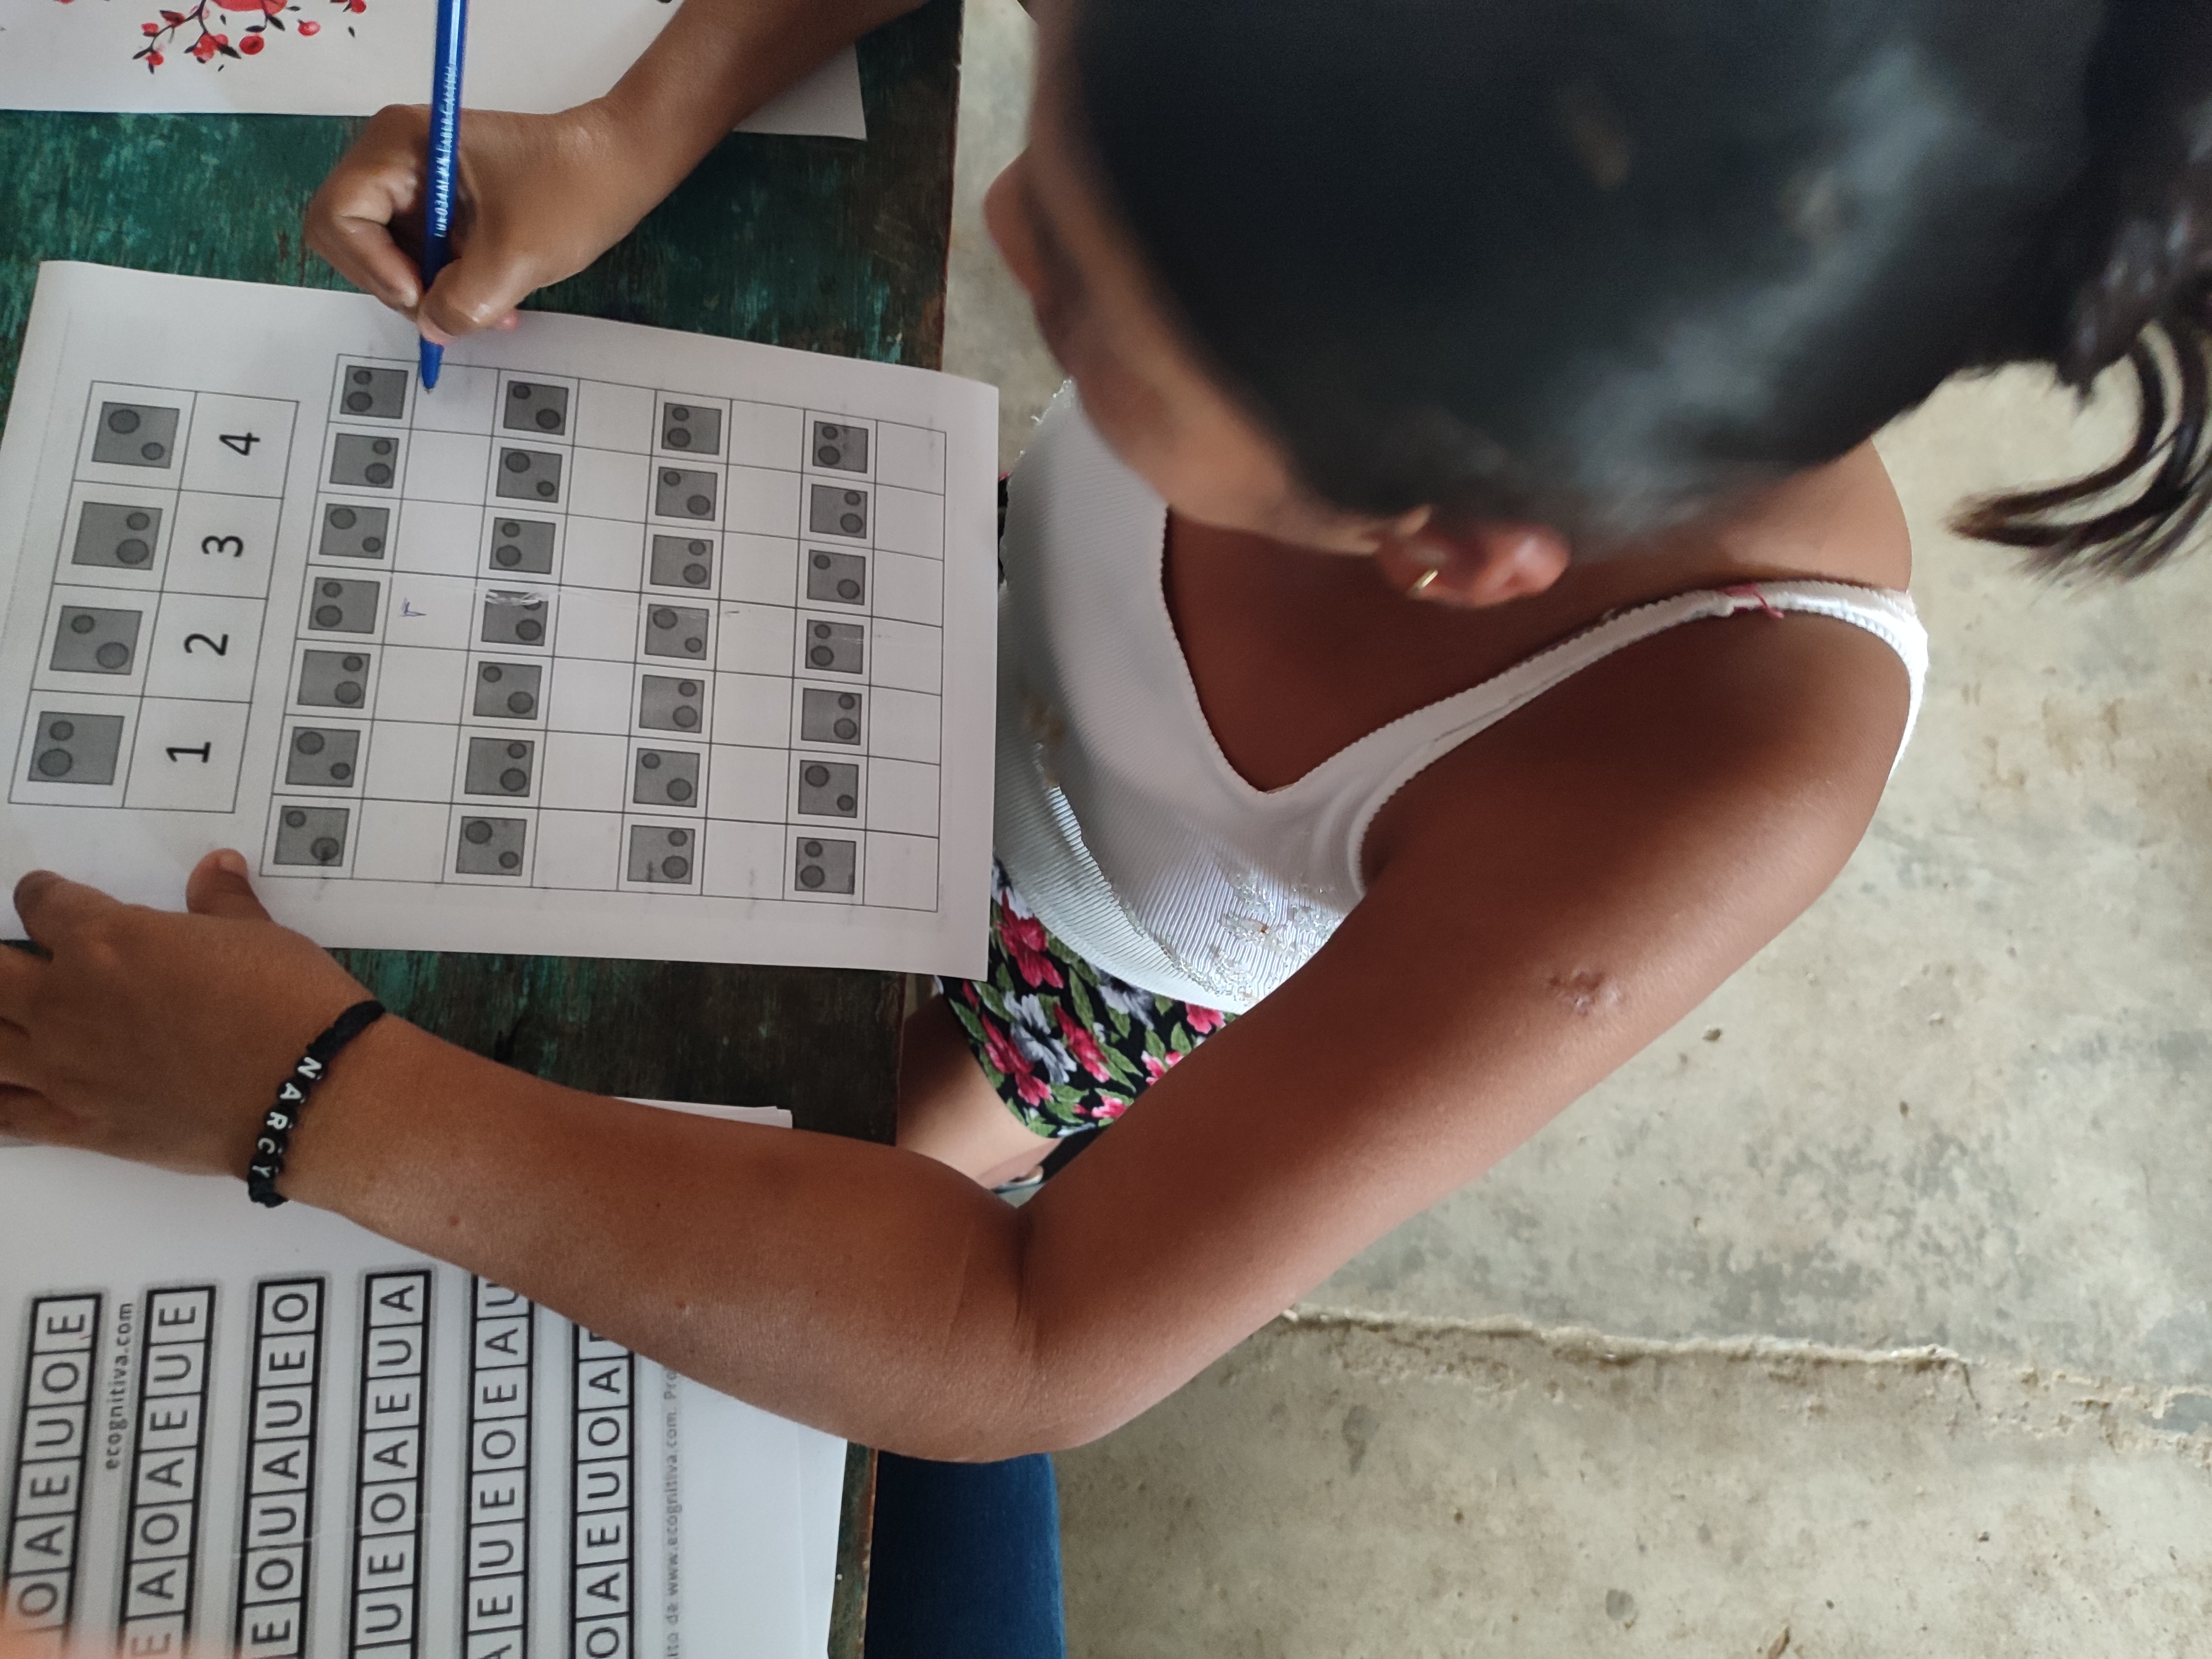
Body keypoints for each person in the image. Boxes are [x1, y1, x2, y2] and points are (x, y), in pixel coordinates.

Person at [7, 1, 2211, 1652]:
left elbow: (1030, 1337)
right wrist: (625, 127)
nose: (998, 228)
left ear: (1437, 549)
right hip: (909, 610)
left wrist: (314, 1098)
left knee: (669, 1197)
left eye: (1073, 286)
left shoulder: (1709, 764)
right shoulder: (1364, 111)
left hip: (1084, 969)